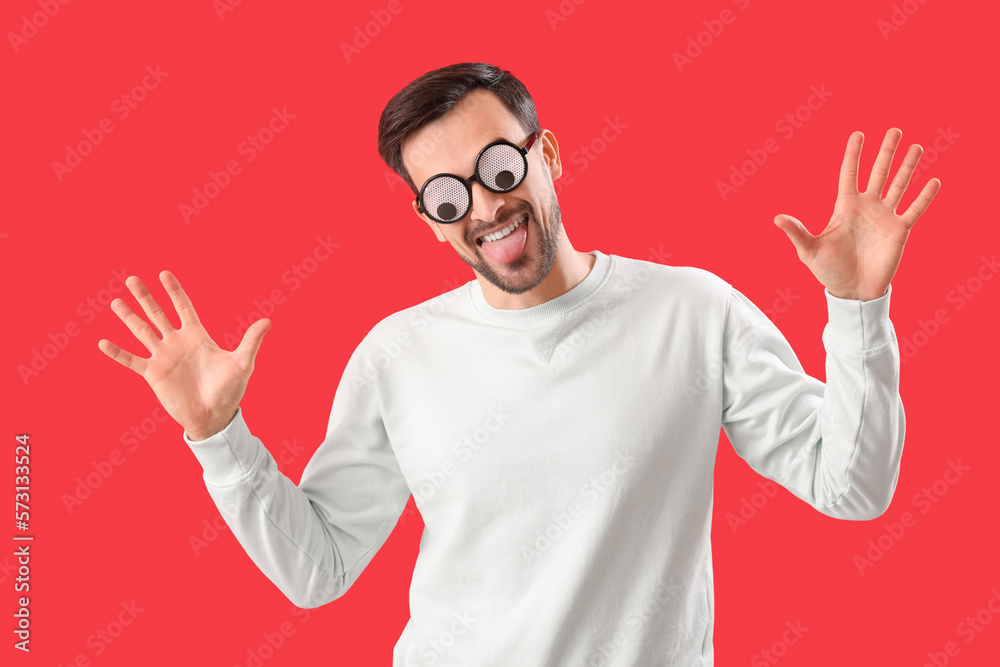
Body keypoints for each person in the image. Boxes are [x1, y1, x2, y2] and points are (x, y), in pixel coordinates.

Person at [98, 62, 941, 665]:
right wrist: (219, 438)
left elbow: (853, 486)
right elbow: (320, 569)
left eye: (501, 166)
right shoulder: (397, 356)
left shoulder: (693, 311)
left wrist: (858, 311)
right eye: (449, 194)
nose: (488, 205)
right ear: (429, 219)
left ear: (549, 155)